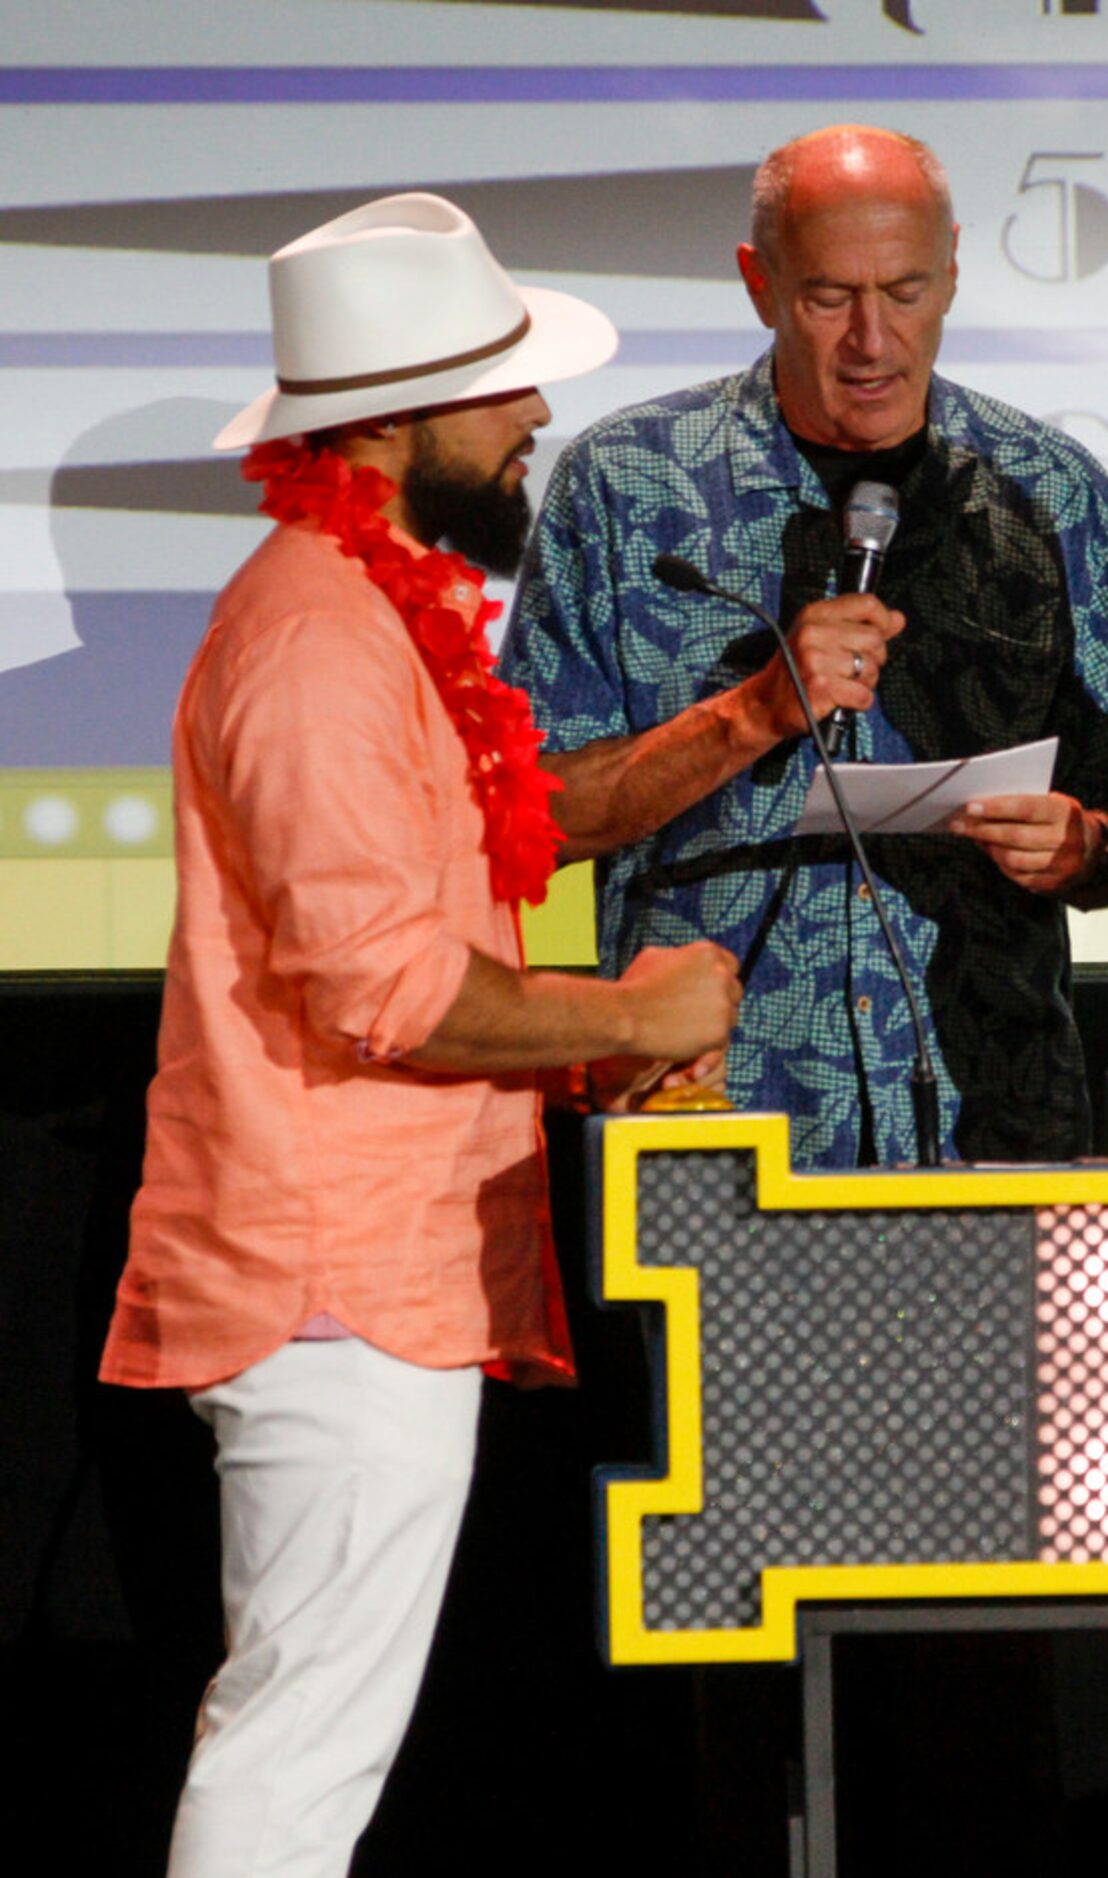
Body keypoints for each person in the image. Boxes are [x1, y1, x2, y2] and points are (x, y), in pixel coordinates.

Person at [99, 193, 741, 1878]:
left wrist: (603, 1040)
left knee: (312, 1732)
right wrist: (637, 1010)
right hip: (333, 1274)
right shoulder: (315, 637)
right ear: (384, 420)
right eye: (500, 384)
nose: (537, 415)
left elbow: (478, 870)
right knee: (300, 1741)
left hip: (367, 1266)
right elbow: (385, 986)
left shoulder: (366, 610)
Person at [503, 124, 1108, 1168]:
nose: (872, 341)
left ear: (954, 271)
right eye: (829, 298)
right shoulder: (625, 486)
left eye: (906, 292)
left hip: (989, 1115)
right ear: (759, 283)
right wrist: (753, 713)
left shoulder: (1050, 490)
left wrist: (1083, 849)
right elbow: (537, 820)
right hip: (719, 1112)